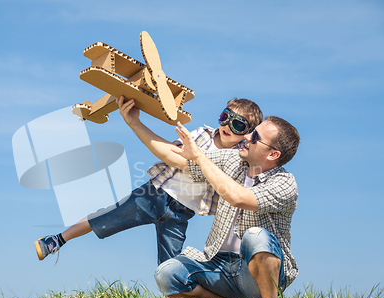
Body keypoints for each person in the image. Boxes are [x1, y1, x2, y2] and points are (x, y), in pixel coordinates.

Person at [34, 97, 263, 267]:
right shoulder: (202, 134)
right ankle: (57, 240)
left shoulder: (236, 159)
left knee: (170, 264)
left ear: (248, 134)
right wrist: (135, 122)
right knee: (106, 216)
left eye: (238, 125)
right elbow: (173, 153)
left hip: (182, 213)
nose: (227, 126)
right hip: (155, 194)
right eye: (225, 117)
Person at [154, 117, 300, 298]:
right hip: (218, 267)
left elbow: (238, 197)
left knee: (256, 236)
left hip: (257, 276)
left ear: (273, 154)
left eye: (255, 137)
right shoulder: (233, 160)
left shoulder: (285, 183)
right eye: (251, 131)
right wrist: (134, 122)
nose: (247, 136)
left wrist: (201, 158)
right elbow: (181, 160)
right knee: (167, 274)